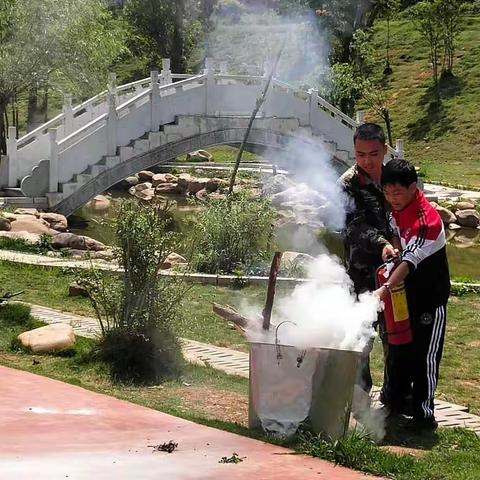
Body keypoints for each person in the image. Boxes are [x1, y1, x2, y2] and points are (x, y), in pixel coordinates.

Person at [374, 158, 450, 430]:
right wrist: (392, 247)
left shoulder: (427, 220)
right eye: (387, 192)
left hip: (429, 297)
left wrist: (382, 290)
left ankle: (424, 415)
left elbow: (409, 263)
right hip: (404, 294)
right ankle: (396, 403)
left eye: (397, 193)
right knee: (399, 349)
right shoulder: (396, 210)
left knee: (424, 355)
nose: (392, 199)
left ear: (413, 188)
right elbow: (396, 236)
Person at [339, 123, 397, 394]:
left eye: (373, 154)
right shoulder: (348, 183)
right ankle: (360, 399)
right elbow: (354, 227)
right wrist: (383, 243)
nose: (367, 161)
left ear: (384, 150)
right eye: (360, 154)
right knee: (361, 337)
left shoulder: (395, 176)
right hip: (361, 273)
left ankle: (395, 397)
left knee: (396, 336)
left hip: (397, 273)